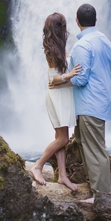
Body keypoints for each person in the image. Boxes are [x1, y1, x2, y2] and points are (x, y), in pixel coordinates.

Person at [66, 3, 111, 203]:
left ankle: (102, 197)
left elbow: (80, 79)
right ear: (96, 20)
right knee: (86, 144)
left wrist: (63, 77)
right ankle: (94, 188)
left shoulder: (82, 45)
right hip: (101, 100)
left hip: (89, 102)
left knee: (95, 149)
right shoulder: (105, 41)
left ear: (76, 21)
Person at [29, 13, 81, 191]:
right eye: (63, 26)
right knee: (64, 138)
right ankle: (38, 166)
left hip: (63, 95)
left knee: (61, 137)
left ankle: (62, 176)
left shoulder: (59, 47)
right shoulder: (52, 50)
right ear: (59, 29)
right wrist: (71, 74)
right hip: (56, 96)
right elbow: (54, 80)